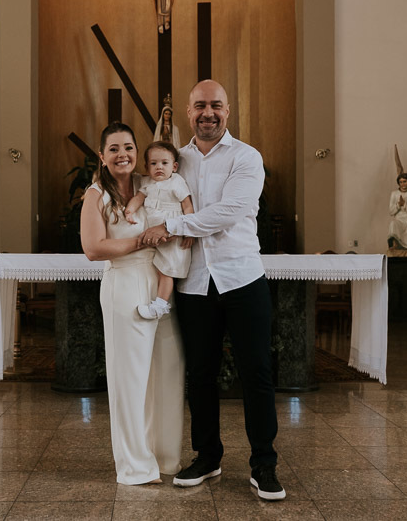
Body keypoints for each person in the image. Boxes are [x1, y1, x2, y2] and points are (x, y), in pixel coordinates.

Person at [140, 80, 285, 501]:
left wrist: (173, 225)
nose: (208, 112)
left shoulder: (246, 157)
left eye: (216, 105)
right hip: (193, 281)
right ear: (187, 112)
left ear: (228, 110)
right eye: (200, 105)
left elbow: (230, 211)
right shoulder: (174, 160)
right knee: (200, 374)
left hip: (241, 277)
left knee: (256, 372)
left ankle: (264, 464)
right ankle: (208, 455)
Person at [80, 122, 185, 485]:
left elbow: (177, 214)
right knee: (131, 377)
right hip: (124, 282)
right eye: (113, 148)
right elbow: (93, 248)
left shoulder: (149, 183)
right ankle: (135, 466)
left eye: (128, 147)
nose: (122, 154)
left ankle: (166, 457)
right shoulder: (96, 195)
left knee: (167, 371)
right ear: (102, 155)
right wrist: (144, 239)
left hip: (160, 280)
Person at [125, 141, 193, 320]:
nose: (159, 167)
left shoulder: (176, 182)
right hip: (153, 235)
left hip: (172, 234)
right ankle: (155, 300)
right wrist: (130, 210)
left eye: (164, 163)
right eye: (153, 164)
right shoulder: (147, 183)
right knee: (155, 270)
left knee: (166, 271)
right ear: (147, 167)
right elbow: (138, 198)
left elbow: (187, 207)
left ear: (175, 166)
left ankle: (160, 306)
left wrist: (189, 231)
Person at [388, 172, 407, 251]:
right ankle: (394, 244)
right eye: (401, 182)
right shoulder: (394, 194)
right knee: (393, 224)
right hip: (399, 220)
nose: (403, 184)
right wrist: (398, 205)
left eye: (404, 181)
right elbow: (391, 212)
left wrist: (404, 204)